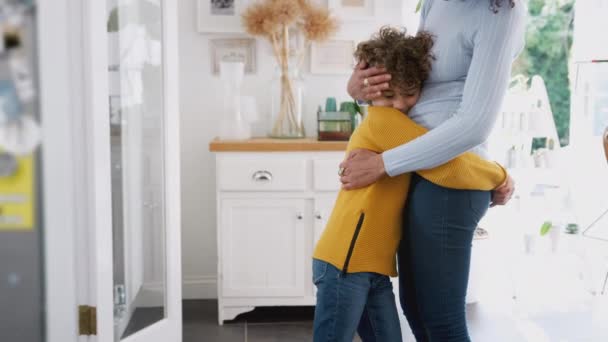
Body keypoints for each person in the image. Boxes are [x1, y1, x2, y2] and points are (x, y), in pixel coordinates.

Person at [340, 0, 525, 341]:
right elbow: (410, 77)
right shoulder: (437, 2)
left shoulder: (499, 13)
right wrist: (358, 90)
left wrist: (383, 164)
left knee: (441, 319)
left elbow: (474, 125)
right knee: (415, 308)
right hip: (418, 168)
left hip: (452, 179)